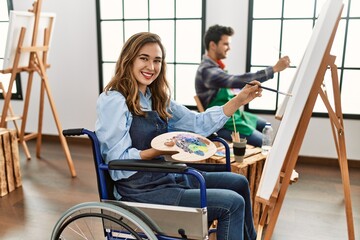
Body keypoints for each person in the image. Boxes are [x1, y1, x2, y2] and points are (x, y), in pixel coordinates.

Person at [96, 32, 262, 240]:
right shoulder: (114, 100)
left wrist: (238, 100)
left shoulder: (156, 98)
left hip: (168, 177)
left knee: (239, 183)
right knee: (232, 203)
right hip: (143, 192)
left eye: (157, 61)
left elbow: (196, 124)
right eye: (144, 58)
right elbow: (116, 161)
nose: (151, 67)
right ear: (129, 59)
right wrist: (155, 152)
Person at [195, 24, 290, 147]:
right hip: (222, 121)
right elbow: (237, 80)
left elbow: (232, 86)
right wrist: (274, 69)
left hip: (234, 114)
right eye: (225, 44)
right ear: (213, 45)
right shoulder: (207, 71)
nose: (229, 48)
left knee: (267, 126)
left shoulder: (216, 68)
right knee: (266, 142)